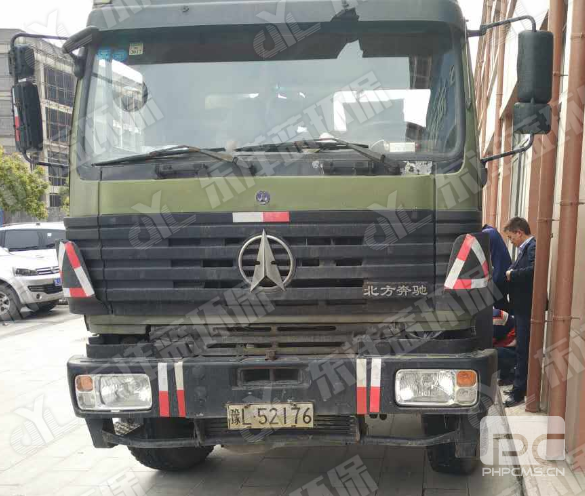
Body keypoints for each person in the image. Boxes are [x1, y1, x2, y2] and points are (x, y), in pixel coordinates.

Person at [502, 217, 536, 407]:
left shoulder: (532, 247)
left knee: (523, 350)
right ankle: (518, 386)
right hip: (520, 307)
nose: (511, 241)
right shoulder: (525, 248)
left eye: (511, 237)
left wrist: (512, 274)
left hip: (526, 307)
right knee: (520, 348)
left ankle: (518, 393)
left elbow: (534, 270)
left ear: (519, 232)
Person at [483, 224, 513, 311]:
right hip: (503, 274)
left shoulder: (486, 233)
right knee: (501, 304)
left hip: (498, 277)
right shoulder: (492, 232)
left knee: (499, 306)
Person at [493, 309, 516, 386]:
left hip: (514, 350)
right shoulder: (491, 316)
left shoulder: (495, 319)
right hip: (507, 346)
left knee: (493, 353)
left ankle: (510, 375)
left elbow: (488, 343)